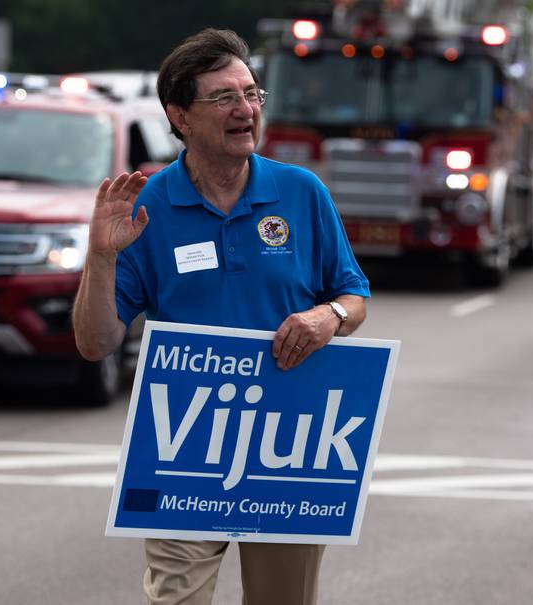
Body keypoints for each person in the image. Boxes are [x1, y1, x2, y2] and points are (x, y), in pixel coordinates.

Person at [72, 28, 370, 605]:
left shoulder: (301, 192)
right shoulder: (148, 204)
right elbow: (95, 343)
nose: (245, 110)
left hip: (288, 448)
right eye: (224, 98)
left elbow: (353, 296)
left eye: (252, 94)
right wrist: (101, 257)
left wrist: (328, 317)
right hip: (185, 449)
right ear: (179, 117)